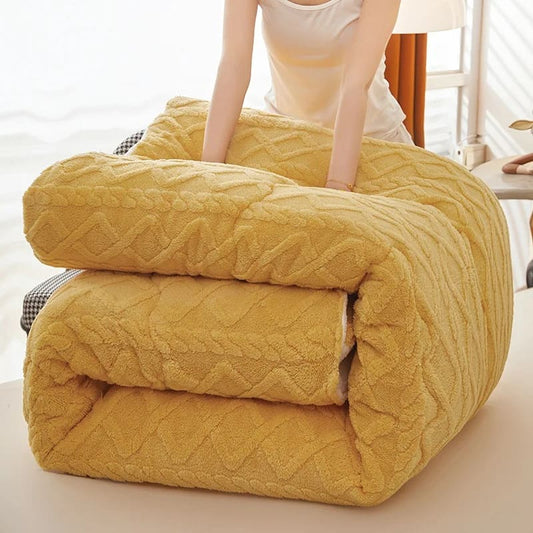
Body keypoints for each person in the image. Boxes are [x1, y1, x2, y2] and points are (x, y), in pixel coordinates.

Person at [201, 0, 413, 192]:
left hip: (372, 142)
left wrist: (338, 186)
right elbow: (234, 66)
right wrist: (208, 167)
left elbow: (356, 85)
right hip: (289, 142)